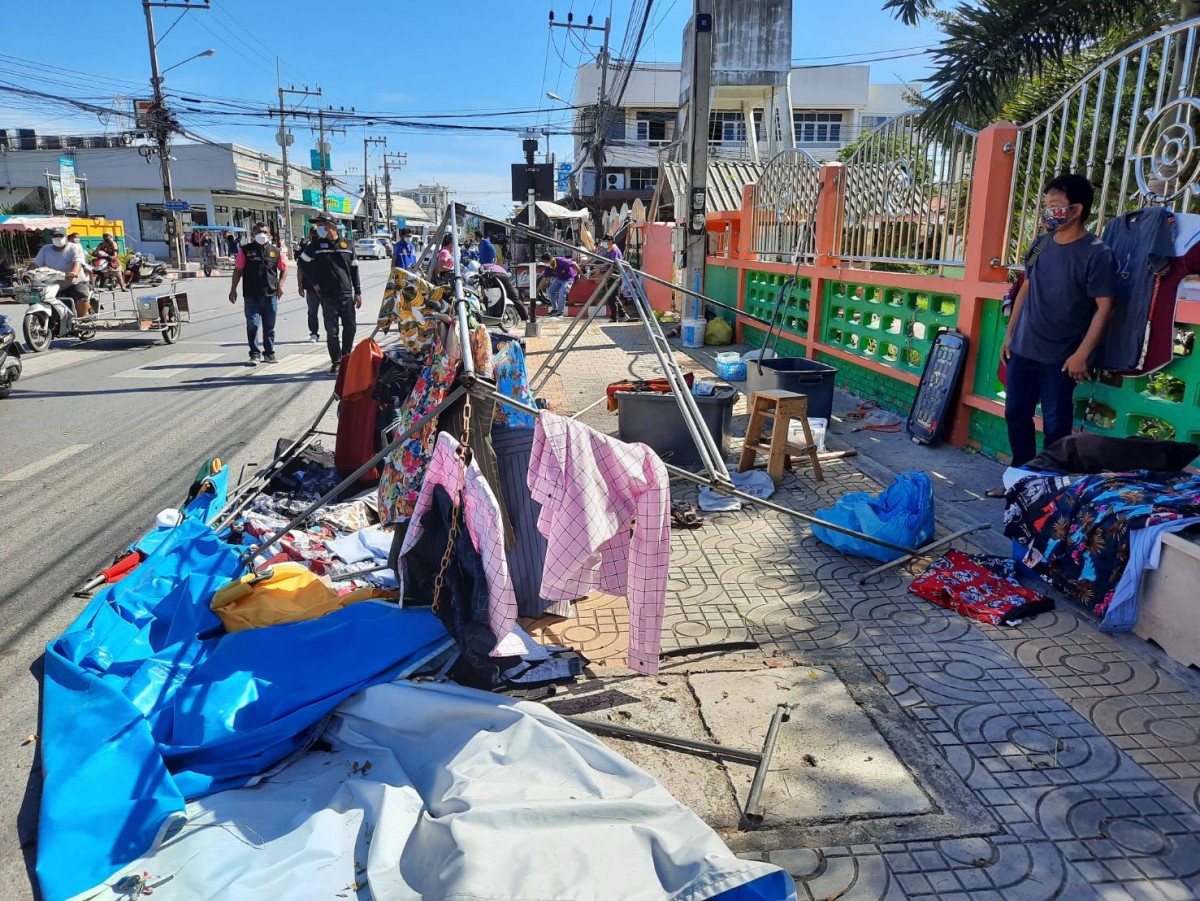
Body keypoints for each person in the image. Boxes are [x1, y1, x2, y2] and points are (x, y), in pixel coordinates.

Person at [1000, 173, 1117, 470]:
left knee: (1055, 425)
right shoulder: (1040, 244)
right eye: (1046, 205)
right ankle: (1021, 476)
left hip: (1061, 358)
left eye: (1055, 205)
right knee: (1015, 414)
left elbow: (1106, 307)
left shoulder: (1096, 254)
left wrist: (1082, 354)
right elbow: (1025, 287)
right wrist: (1009, 335)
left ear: (1076, 210)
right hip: (1023, 349)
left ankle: (1048, 485)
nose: (1048, 212)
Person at [297, 213, 362, 376]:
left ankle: (346, 358)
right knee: (332, 332)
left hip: (346, 294)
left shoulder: (348, 245)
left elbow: (354, 270)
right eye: (317, 225)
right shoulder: (315, 246)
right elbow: (302, 263)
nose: (318, 228)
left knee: (351, 328)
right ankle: (337, 362)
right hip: (327, 295)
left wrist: (358, 292)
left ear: (331, 226)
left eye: (321, 224)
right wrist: (314, 282)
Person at [229, 221, 287, 365]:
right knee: (253, 325)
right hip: (251, 295)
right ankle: (254, 354)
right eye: (258, 232)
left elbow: (284, 269)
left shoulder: (275, 251)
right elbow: (238, 270)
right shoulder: (245, 250)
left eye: (264, 232)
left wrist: (280, 285)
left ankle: (269, 353)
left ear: (269, 234)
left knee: (269, 326)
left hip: (270, 295)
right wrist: (233, 289)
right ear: (252, 234)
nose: (261, 234)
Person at [29, 226, 92, 317]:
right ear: (51, 238)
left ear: (66, 237)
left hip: (74, 282)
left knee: (81, 294)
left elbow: (77, 262)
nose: (58, 238)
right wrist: (28, 273)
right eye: (55, 236)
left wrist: (73, 272)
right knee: (36, 297)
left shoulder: (75, 247)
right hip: (52, 283)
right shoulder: (45, 249)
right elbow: (35, 264)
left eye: (61, 236)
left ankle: (81, 321)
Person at [597, 233, 630, 323]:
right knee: (614, 296)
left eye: (605, 241)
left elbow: (613, 265)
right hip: (613, 274)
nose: (604, 243)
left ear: (610, 241)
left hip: (615, 275)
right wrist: (598, 269)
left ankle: (614, 317)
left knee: (612, 297)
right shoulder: (610, 250)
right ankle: (623, 315)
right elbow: (607, 264)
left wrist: (606, 275)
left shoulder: (614, 250)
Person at [296, 227, 321, 344]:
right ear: (310, 235)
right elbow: (300, 268)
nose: (316, 235)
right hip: (311, 287)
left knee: (330, 312)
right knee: (312, 311)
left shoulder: (326, 248)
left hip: (327, 286)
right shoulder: (306, 249)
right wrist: (300, 285)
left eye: (318, 233)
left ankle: (332, 333)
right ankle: (314, 333)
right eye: (314, 233)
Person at [539, 251, 579, 317]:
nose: (544, 264)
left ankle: (560, 312)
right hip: (559, 278)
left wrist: (581, 275)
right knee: (550, 290)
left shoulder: (561, 261)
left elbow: (574, 264)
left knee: (562, 292)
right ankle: (555, 309)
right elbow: (544, 278)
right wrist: (538, 289)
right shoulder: (548, 266)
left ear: (549, 260)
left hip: (569, 278)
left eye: (544, 262)